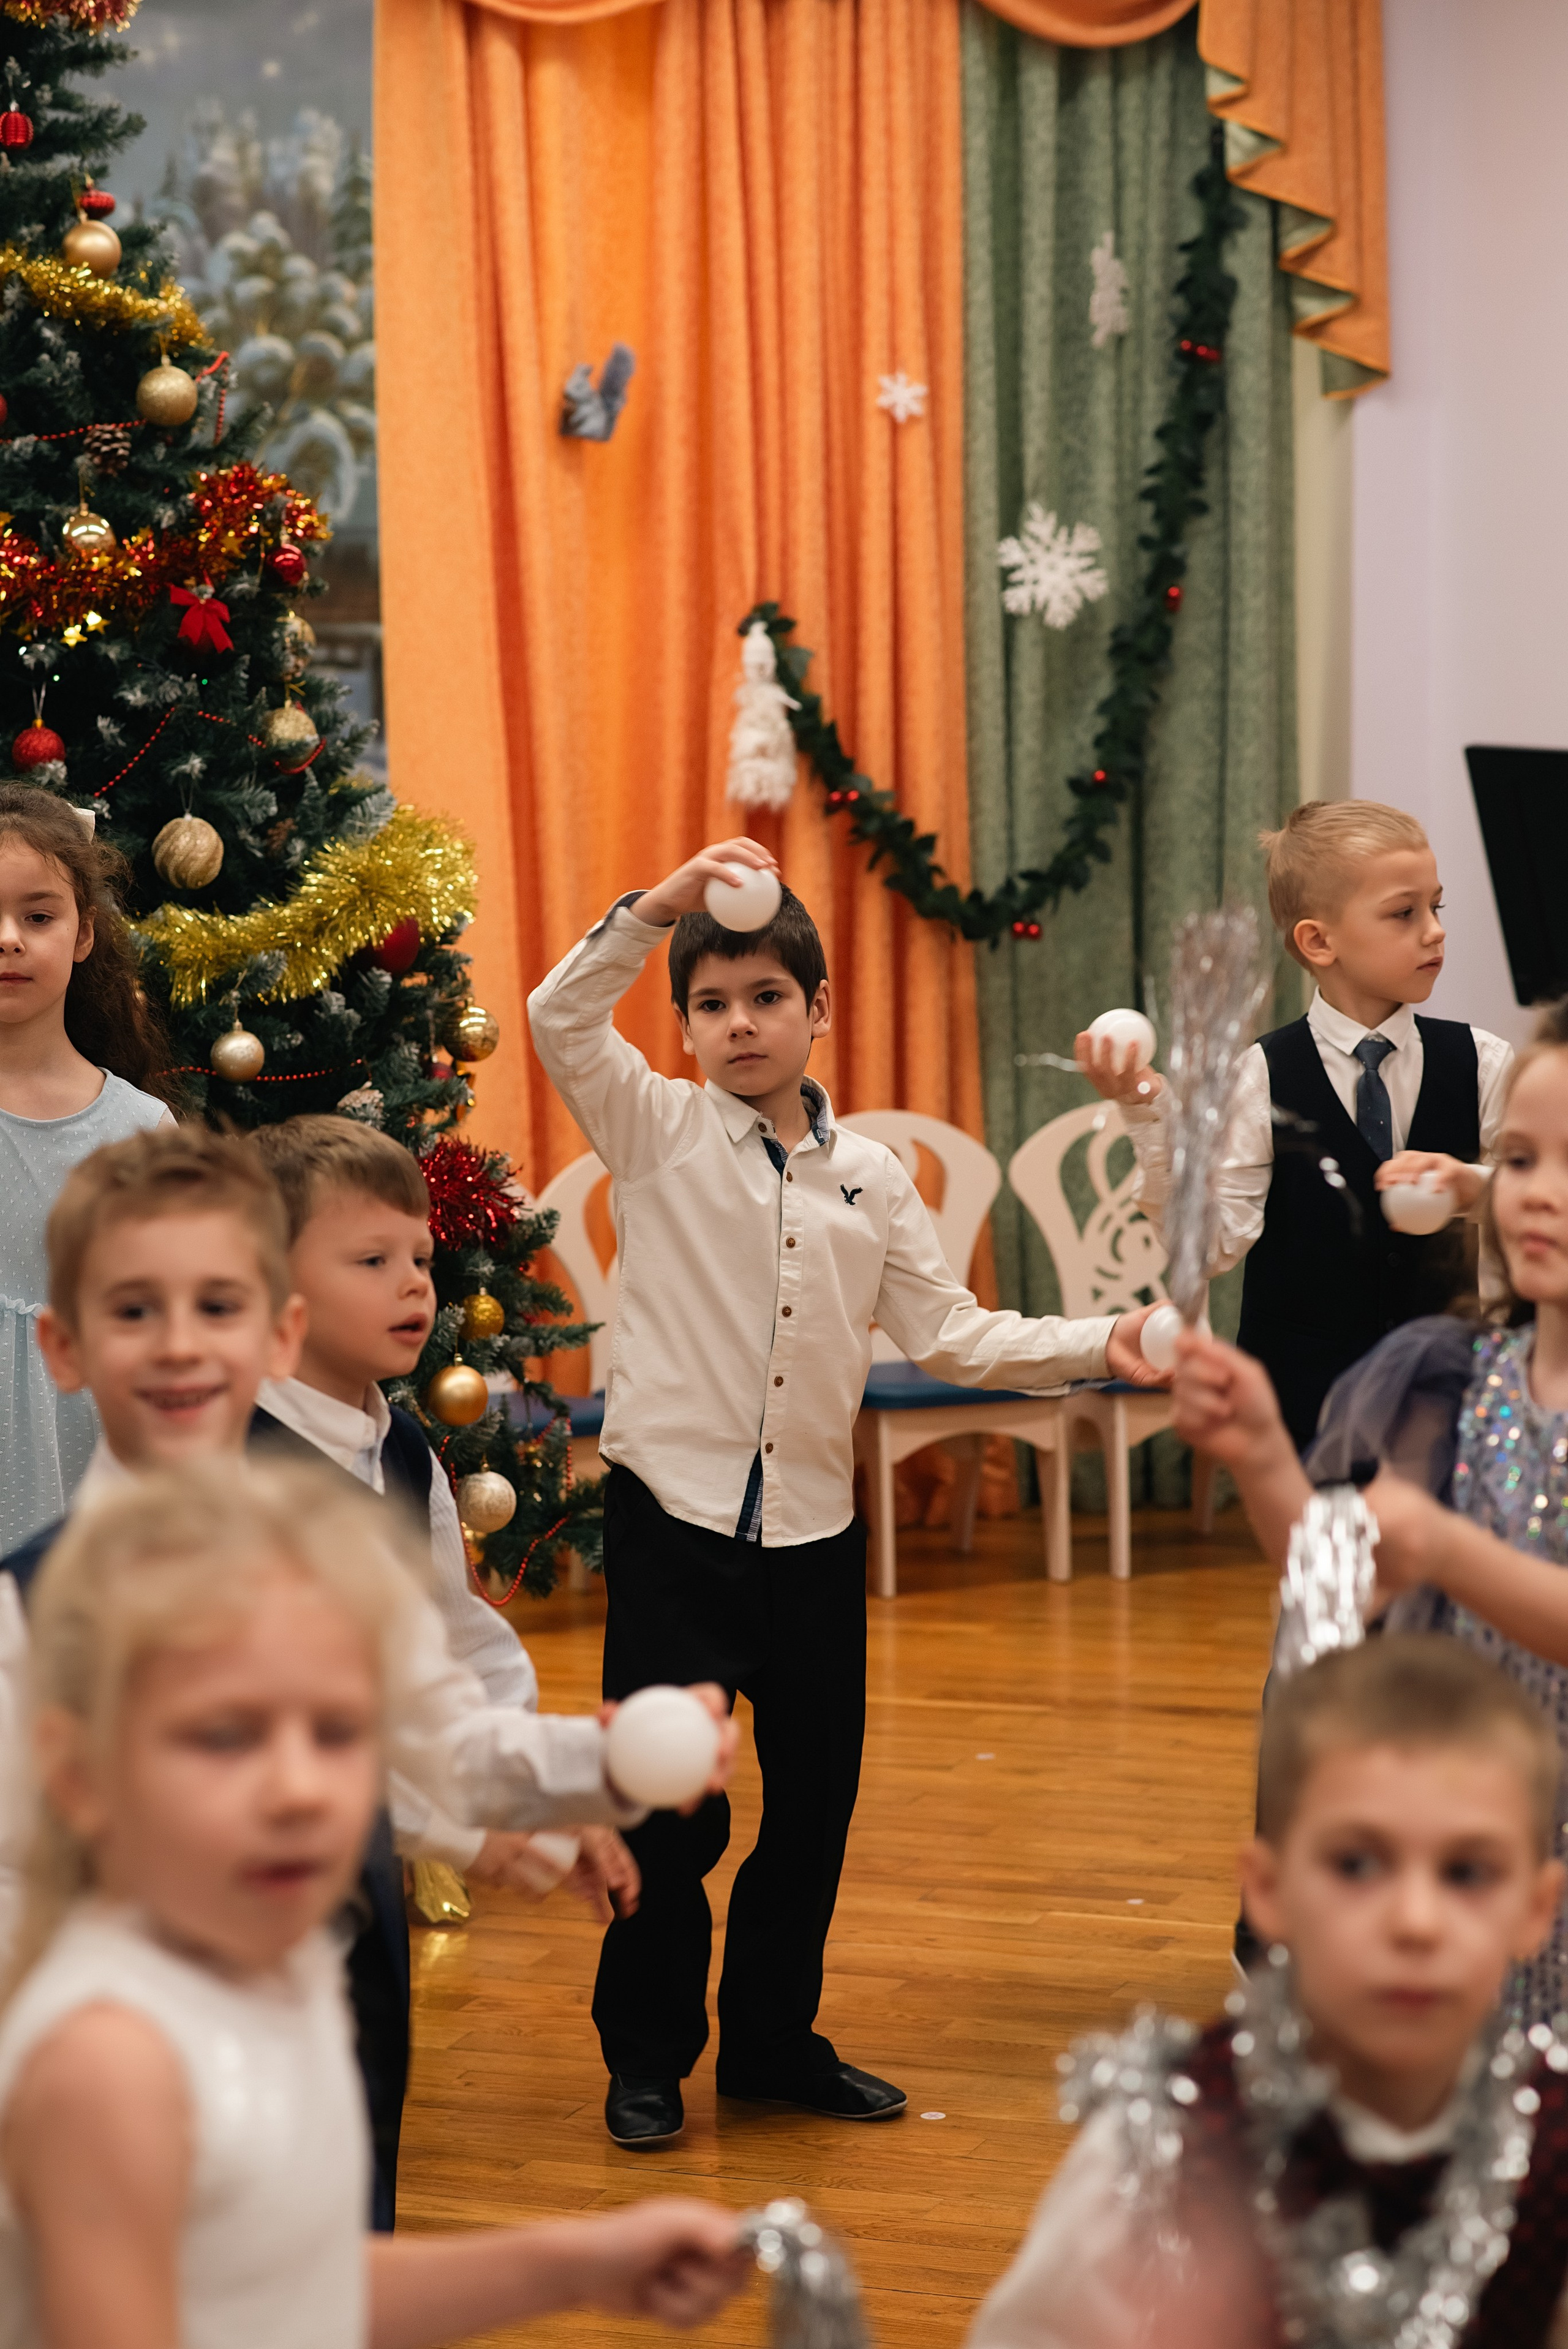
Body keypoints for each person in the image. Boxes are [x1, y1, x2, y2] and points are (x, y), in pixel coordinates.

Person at [527, 837, 1166, 2147]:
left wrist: (1106, 1341)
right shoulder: (649, 1127)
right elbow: (556, 1014)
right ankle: (645, 2055)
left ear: (818, 1012)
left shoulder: (870, 1177)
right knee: (667, 1809)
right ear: (687, 1026)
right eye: (711, 1003)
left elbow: (949, 1336)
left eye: (767, 998)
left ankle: (770, 2045)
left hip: (812, 1532)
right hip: (675, 1522)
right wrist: (658, 905)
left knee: (811, 1807)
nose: (739, 1023)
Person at [0, 1123, 734, 2218]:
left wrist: (604, 1768)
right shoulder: (33, 1611)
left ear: (274, 1329)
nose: (182, 1348)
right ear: (64, 1348)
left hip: (328, 1972)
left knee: (341, 2226)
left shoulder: (350, 1519)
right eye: (134, 1311)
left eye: (218, 1306)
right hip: (119, 2063)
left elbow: (437, 1710)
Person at [0, 1455, 752, 2349]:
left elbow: (285, 2290)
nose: (299, 1790)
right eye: (225, 1735)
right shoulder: (110, 2066)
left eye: (339, 1731)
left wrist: (578, 2263)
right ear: (79, 1774)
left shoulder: (283, 1969)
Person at [967, 1637, 1568, 2349]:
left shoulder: (1553, 2142)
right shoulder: (1164, 2146)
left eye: (1466, 1873)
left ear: (1536, 1908)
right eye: (1356, 1863)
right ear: (1268, 1891)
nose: (1415, 1922)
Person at [1174, 996, 1568, 2027]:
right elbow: (1338, 1584)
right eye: (1520, 1161)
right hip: (1474, 1845)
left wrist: (1446, 1548)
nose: (1539, 1197)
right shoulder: (1448, 1373)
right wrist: (1263, 1452)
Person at [247, 1113, 639, 1923]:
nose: (416, 1282)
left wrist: (537, 1786)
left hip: (358, 1878)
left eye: (421, 1257)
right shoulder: (233, 1470)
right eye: (373, 1260)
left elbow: (461, 1642)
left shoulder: (403, 1448)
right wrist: (464, 1829)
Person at [1076, 800, 1512, 1450]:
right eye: (1403, 912)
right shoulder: (1257, 1075)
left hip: (1444, 1400)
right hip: (1302, 1408)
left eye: (1435, 907)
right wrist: (1148, 1116)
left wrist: (1472, 1189)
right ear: (1317, 940)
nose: (1434, 931)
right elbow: (1212, 1244)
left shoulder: (1482, 1060)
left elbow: (1544, 1202)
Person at [0, 786, 176, 1553]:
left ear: (83, 935)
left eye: (38, 917)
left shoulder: (142, 1131)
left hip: (99, 1487)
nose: (9, 939)